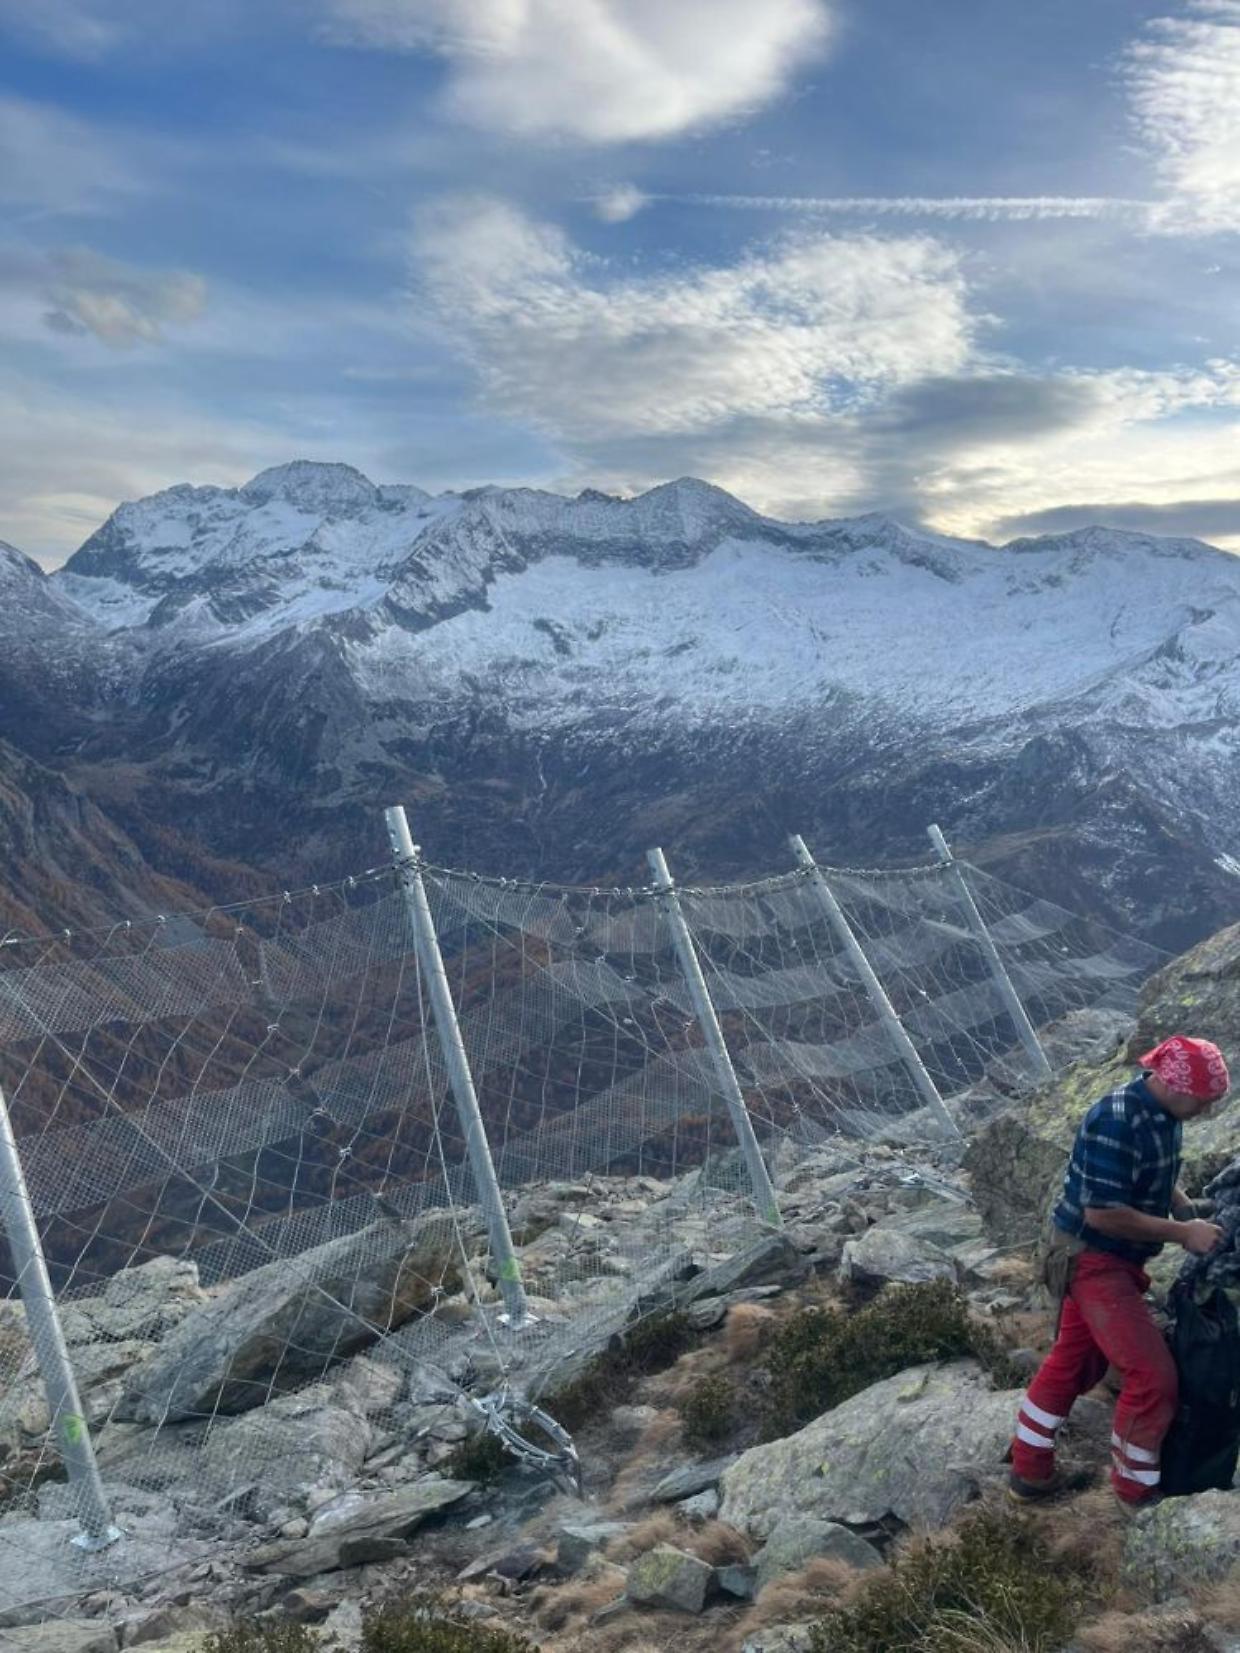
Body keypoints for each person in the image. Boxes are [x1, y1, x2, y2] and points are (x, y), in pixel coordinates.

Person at [1008, 1034, 1230, 1510]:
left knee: (1073, 1363)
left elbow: (1149, 1173)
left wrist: (1177, 1200)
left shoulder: (1164, 1113)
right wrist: (1181, 1232)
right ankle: (1136, 1492)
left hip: (1117, 1260)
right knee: (1153, 1376)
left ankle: (1029, 1470)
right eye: (1204, 1102)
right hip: (1093, 1260)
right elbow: (1102, 1213)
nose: (1206, 1112)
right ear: (1174, 1085)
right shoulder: (1116, 1119)